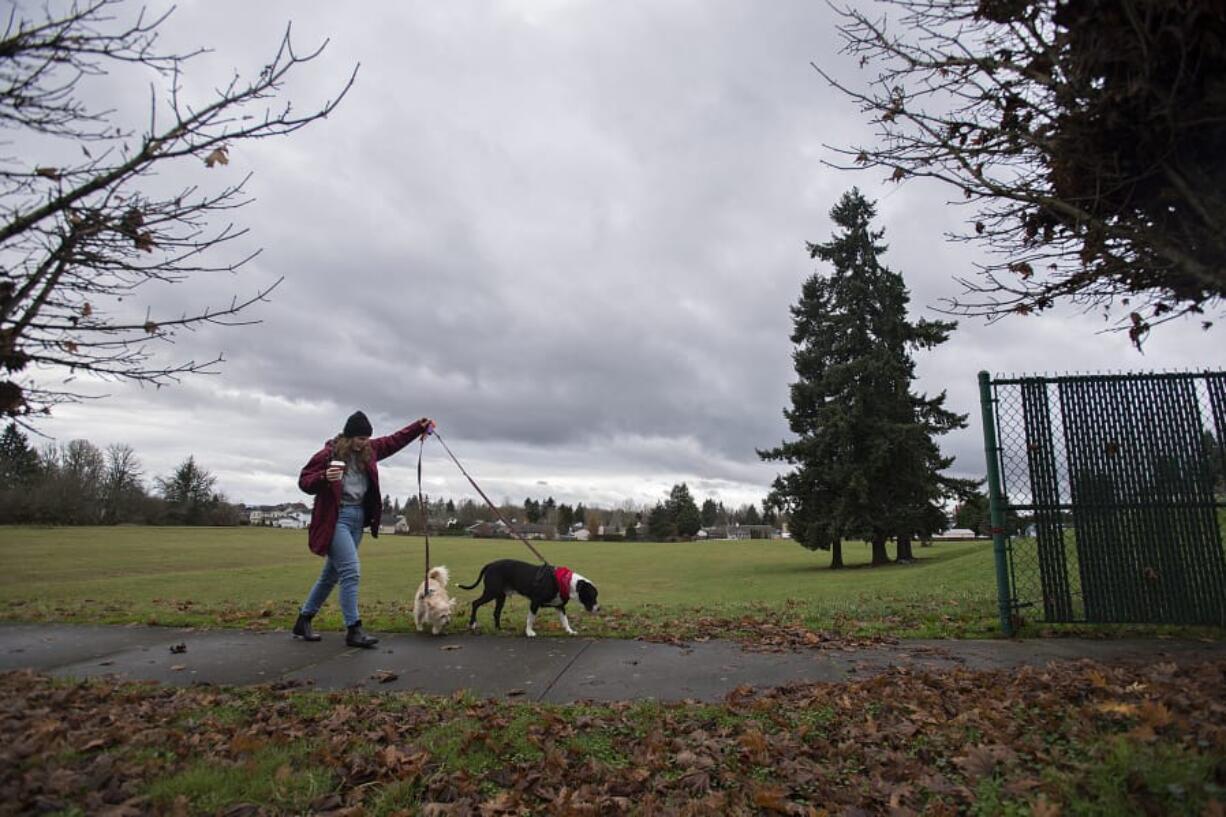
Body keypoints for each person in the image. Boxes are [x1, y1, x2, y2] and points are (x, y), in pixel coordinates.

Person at [293, 410, 435, 648]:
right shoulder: (328, 454)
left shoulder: (370, 451)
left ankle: (303, 620)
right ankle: (354, 629)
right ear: (348, 437)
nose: (364, 443)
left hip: (358, 519)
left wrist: (418, 427)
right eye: (360, 438)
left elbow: (394, 440)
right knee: (351, 571)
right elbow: (304, 481)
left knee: (331, 575)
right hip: (336, 518)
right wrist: (324, 477)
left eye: (367, 438)